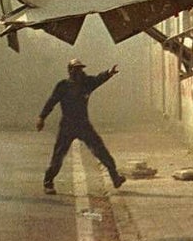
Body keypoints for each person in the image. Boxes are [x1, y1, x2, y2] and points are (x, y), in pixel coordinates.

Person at [36, 59, 126, 195]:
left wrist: (109, 73)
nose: (79, 72)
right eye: (76, 69)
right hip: (67, 125)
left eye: (81, 69)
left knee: (101, 151)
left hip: (83, 124)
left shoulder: (86, 83)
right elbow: (52, 101)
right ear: (70, 71)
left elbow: (98, 79)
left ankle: (115, 177)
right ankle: (48, 181)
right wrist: (42, 117)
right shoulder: (63, 86)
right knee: (58, 155)